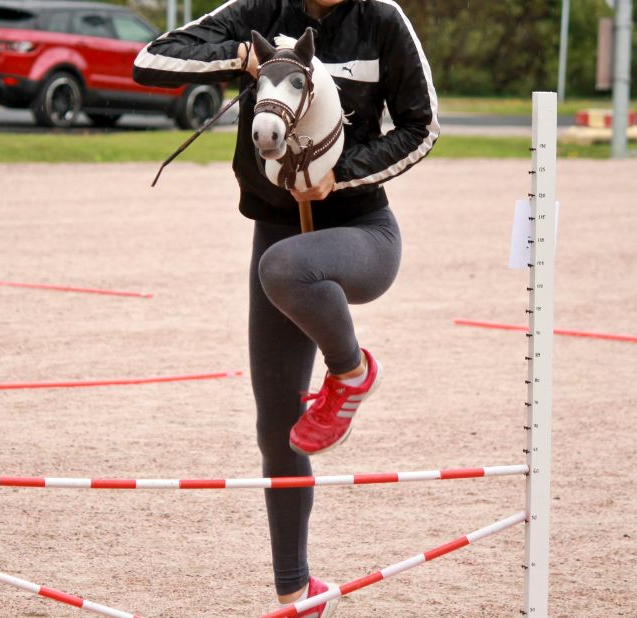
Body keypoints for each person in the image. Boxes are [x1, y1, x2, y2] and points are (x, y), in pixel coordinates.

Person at [134, 0, 438, 613]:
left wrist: (340, 174)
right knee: (278, 429)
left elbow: (421, 126)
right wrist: (240, 56)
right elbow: (150, 61)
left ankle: (353, 372)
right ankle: (297, 595)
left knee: (283, 267)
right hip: (276, 236)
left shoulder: (381, 20)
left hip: (361, 236)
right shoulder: (255, 10)